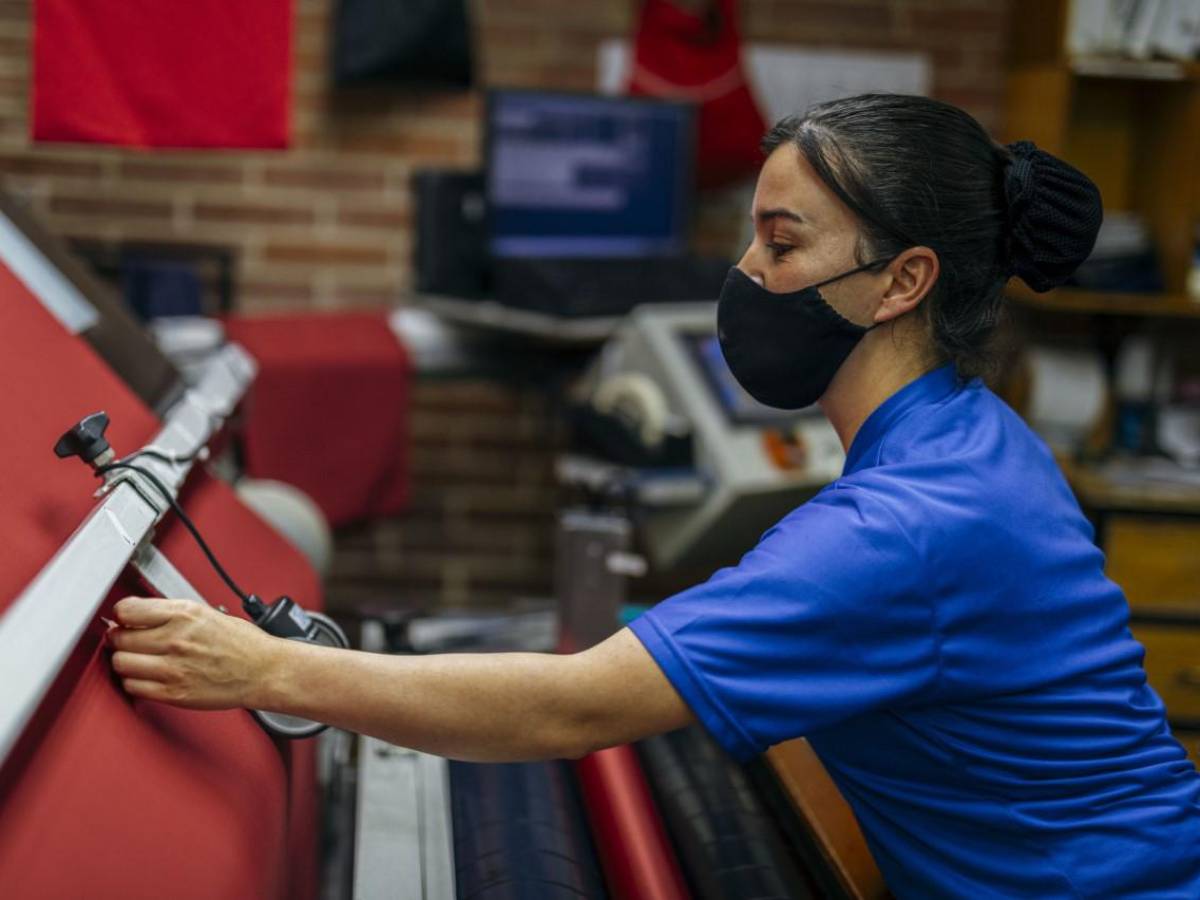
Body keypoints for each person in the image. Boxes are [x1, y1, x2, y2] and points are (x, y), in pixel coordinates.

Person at [107, 94, 1200, 897]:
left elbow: (573, 707)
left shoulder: (906, 525)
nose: (747, 277)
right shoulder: (973, 439)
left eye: (783, 243)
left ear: (903, 282)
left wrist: (267, 668)